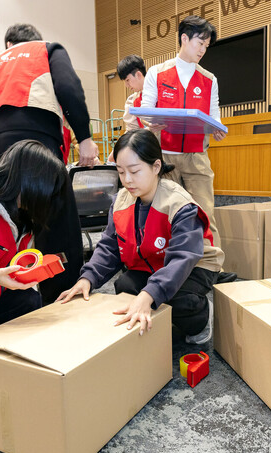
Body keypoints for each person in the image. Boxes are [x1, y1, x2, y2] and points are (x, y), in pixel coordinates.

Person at [58, 129, 225, 344]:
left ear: (156, 167)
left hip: (194, 265)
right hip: (151, 261)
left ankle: (201, 315)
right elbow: (109, 246)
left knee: (181, 300)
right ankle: (159, 317)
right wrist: (87, 278)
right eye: (121, 172)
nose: (127, 180)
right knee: (125, 287)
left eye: (135, 171)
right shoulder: (121, 201)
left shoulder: (179, 204)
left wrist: (149, 294)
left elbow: (182, 258)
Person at [0, 23, 99, 303]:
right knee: (55, 215)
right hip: (34, 131)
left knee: (8, 215)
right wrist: (84, 137)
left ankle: (5, 291)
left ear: (8, 45)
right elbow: (68, 88)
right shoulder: (47, 49)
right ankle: (63, 294)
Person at [141, 15, 226, 249]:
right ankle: (166, 263)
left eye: (206, 46)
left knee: (205, 215)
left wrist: (217, 128)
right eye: (200, 43)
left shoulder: (209, 79)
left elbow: (214, 114)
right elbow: (146, 109)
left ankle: (211, 265)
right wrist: (150, 122)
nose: (203, 50)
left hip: (197, 157)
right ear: (184, 38)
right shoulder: (157, 73)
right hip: (164, 157)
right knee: (165, 216)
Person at [0, 140, 71, 335]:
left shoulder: (24, 219)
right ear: (30, 182)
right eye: (48, 189)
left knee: (29, 300)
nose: (49, 197)